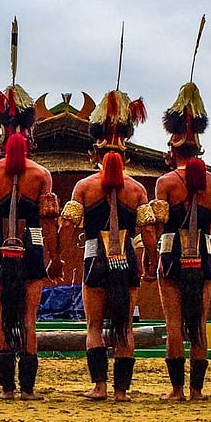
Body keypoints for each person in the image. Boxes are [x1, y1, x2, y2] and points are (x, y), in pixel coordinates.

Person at [0, 27, 60, 401]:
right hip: (33, 247)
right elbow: (50, 223)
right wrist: (54, 256)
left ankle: (8, 390)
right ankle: (24, 389)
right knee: (28, 319)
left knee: (6, 319)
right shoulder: (42, 175)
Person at [58, 86, 157, 402]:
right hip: (126, 261)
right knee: (124, 326)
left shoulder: (83, 188)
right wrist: (151, 257)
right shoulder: (138, 190)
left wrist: (59, 253)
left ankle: (100, 386)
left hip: (92, 260)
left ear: (93, 154)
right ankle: (121, 391)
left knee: (94, 327)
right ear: (126, 155)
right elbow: (149, 231)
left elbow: (67, 225)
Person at [153, 48, 211, 401]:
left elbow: (155, 227)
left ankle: (177, 390)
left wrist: (148, 257)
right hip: (201, 254)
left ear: (174, 144)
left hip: (172, 255)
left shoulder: (166, 182)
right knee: (197, 323)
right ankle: (197, 391)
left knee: (175, 324)